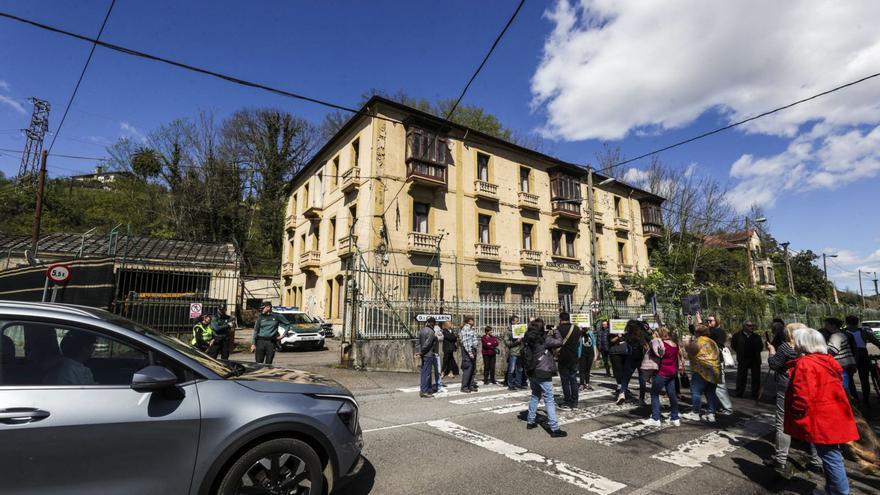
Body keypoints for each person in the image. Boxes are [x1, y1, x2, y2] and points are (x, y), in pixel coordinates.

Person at [785, 328, 859, 495]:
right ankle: (832, 489)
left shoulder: (805, 363)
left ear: (803, 344)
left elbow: (801, 395)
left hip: (820, 418)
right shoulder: (826, 360)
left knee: (831, 458)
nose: (794, 345)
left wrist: (796, 414)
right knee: (833, 456)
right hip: (836, 414)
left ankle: (840, 492)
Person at [765, 322, 823, 479]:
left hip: (787, 385)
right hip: (808, 386)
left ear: (790, 334)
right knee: (809, 422)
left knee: (782, 422)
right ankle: (817, 461)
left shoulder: (785, 347)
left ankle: (780, 459)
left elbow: (774, 364)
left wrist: (771, 352)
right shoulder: (813, 348)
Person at [523, 318, 567, 438]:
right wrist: (555, 330)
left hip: (532, 371)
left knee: (535, 395)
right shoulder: (545, 340)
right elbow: (559, 341)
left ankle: (530, 421)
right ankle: (554, 428)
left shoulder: (527, 339)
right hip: (543, 372)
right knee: (549, 399)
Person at [682, 324, 721, 422]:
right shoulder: (712, 342)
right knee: (711, 393)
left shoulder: (699, 341)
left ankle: (695, 413)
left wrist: (686, 342)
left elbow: (691, 351)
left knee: (696, 392)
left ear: (697, 333)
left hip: (701, 370)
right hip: (715, 370)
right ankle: (711, 414)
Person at [645, 326, 682, 427]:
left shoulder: (662, 345)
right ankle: (675, 418)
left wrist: (655, 339)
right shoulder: (675, 344)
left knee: (654, 393)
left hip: (663, 372)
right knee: (672, 394)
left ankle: (655, 418)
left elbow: (656, 354)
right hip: (672, 373)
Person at [845, 315, 880, 409]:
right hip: (863, 356)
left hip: (850, 357)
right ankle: (865, 399)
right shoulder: (864, 332)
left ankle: (854, 401)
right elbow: (876, 342)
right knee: (864, 380)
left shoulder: (844, 334)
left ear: (847, 323)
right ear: (858, 323)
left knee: (849, 380)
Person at [706, 314, 734, 414]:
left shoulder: (718, 332)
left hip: (717, 361)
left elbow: (708, 334)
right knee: (712, 386)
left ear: (716, 321)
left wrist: (700, 322)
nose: (708, 323)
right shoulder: (710, 331)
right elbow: (699, 333)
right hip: (711, 361)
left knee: (720, 386)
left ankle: (728, 408)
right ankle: (718, 406)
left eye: (710, 321)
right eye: (707, 321)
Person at [616, 320, 648, 406]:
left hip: (630, 358)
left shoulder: (628, 335)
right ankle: (641, 399)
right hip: (641, 359)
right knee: (642, 379)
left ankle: (622, 393)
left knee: (626, 377)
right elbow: (649, 342)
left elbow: (620, 341)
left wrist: (620, 336)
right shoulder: (642, 334)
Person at [731, 321, 764, 399]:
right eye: (749, 325)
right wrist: (740, 352)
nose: (751, 327)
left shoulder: (757, 336)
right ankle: (739, 392)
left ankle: (755, 394)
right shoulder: (737, 336)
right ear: (744, 327)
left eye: (752, 325)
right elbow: (733, 345)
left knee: (756, 377)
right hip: (743, 359)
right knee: (741, 377)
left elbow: (760, 347)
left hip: (755, 359)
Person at [556, 312, 582, 410]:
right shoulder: (576, 328)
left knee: (565, 381)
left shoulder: (558, 329)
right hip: (574, 357)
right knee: (573, 380)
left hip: (562, 358)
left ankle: (567, 401)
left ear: (560, 319)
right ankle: (575, 402)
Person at [826, 317, 857, 397]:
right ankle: (855, 404)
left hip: (842, 365)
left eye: (827, 325)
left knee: (845, 388)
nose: (825, 327)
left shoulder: (835, 336)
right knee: (851, 385)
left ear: (834, 326)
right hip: (849, 363)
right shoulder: (842, 334)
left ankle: (851, 405)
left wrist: (822, 349)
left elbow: (833, 351)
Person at [608, 324, 630, 403]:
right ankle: (619, 385)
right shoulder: (611, 332)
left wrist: (624, 334)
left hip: (625, 353)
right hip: (615, 353)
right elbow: (611, 341)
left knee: (625, 370)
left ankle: (625, 386)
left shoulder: (626, 332)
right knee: (618, 370)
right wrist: (618, 336)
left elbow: (629, 339)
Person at [416, 317, 437, 398]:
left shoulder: (422, 330)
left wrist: (419, 351)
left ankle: (425, 389)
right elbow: (427, 344)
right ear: (433, 323)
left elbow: (418, 342)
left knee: (424, 373)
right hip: (428, 354)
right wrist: (421, 352)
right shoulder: (431, 332)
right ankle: (424, 391)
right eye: (434, 323)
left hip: (423, 354)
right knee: (427, 374)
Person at [504, 315, 525, 390]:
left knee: (520, 369)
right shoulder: (508, 330)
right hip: (513, 352)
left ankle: (518, 383)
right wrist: (516, 342)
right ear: (512, 321)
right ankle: (510, 384)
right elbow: (507, 343)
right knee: (512, 369)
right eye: (516, 321)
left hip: (521, 351)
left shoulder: (520, 329)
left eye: (518, 321)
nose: (518, 322)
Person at [459, 316, 479, 393]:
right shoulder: (466, 329)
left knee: (473, 369)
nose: (474, 322)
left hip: (472, 350)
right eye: (473, 320)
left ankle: (470, 385)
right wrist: (470, 353)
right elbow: (466, 343)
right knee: (468, 369)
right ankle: (464, 387)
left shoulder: (471, 328)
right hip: (468, 351)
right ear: (469, 321)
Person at [579, 322, 597, 391]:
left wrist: (595, 355)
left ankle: (587, 383)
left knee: (588, 370)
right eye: (583, 328)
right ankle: (581, 384)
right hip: (582, 354)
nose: (585, 329)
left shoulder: (591, 333)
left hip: (590, 354)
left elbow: (594, 344)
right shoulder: (580, 334)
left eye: (585, 328)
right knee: (582, 369)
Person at [432, 320, 446, 393]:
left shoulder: (437, 327)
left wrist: (435, 336)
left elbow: (441, 337)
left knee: (438, 370)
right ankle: (431, 386)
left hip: (436, 352)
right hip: (430, 353)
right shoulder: (426, 328)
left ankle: (439, 385)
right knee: (429, 371)